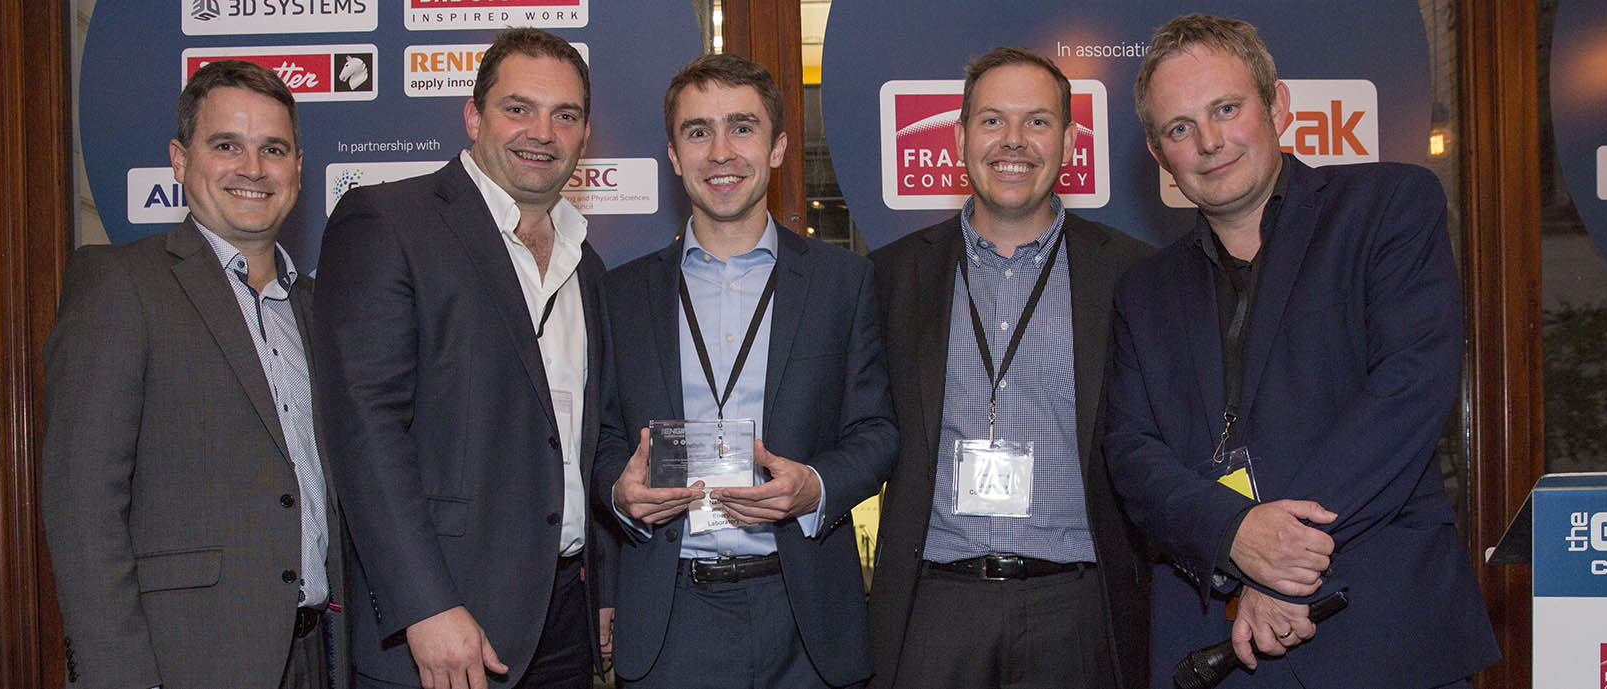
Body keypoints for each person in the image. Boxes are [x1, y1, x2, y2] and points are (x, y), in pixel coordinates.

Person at [1104, 14, 1499, 688]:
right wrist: (1233, 535)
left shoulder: (1387, 208)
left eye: (1226, 108)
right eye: (1179, 128)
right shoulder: (1142, 291)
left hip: (1382, 631)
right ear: (1158, 152)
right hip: (1217, 648)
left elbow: (1408, 390)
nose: (1209, 141)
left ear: (1277, 104)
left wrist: (1282, 559)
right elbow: (1133, 455)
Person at [312, 28, 611, 689]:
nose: (542, 131)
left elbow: (578, 443)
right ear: (473, 115)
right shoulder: (389, 221)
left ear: (584, 137)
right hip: (442, 628)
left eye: (565, 115)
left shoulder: (587, 263)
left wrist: (602, 591)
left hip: (563, 622)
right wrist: (425, 604)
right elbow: (364, 428)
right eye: (518, 107)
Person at [594, 53, 898, 689]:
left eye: (742, 127)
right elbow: (602, 440)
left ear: (779, 145)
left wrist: (815, 485)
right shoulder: (621, 294)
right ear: (674, 156)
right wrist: (620, 494)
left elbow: (876, 431)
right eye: (698, 131)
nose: (721, 152)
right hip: (669, 616)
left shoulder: (843, 283)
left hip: (806, 614)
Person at [42, 59, 345, 689]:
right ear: (180, 161)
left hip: (317, 655)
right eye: (226, 145)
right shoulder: (121, 285)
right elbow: (82, 506)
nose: (253, 169)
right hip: (184, 663)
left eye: (274, 149)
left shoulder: (317, 307)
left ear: (297, 169)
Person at [864, 46, 1155, 689]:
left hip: (1078, 609)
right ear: (961, 136)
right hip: (935, 606)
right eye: (992, 120)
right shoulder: (890, 276)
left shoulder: (1133, 274)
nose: (1013, 142)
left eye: (1038, 121)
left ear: (1070, 141)